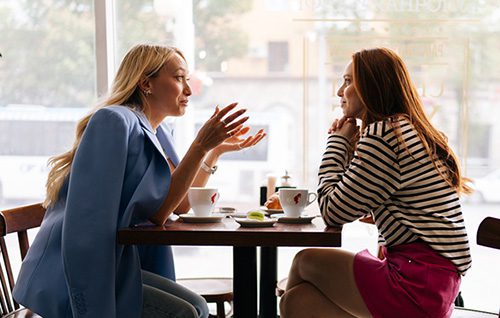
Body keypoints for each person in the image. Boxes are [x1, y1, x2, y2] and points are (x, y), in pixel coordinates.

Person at [13, 44, 265, 318]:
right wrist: (200, 146)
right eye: (179, 78)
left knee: (198, 307)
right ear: (146, 83)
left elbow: (179, 205)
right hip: (75, 275)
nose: (189, 90)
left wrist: (212, 151)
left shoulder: (159, 131)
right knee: (185, 313)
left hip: (118, 263)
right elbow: (153, 215)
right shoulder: (113, 121)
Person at [279, 47, 472, 318]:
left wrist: (338, 142)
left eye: (347, 82)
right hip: (435, 283)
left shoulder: (386, 134)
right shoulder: (405, 129)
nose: (339, 92)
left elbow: (333, 211)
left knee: (304, 262)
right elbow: (360, 195)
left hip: (415, 282)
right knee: (296, 302)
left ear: (371, 86)